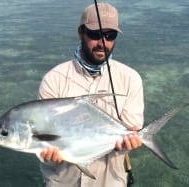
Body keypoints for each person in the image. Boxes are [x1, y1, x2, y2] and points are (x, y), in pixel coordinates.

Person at [38, 2, 144, 187]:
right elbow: (44, 136)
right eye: (95, 34)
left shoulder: (131, 79)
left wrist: (130, 141)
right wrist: (47, 154)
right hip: (63, 182)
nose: (103, 43)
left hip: (111, 181)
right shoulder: (53, 80)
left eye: (110, 36)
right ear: (81, 32)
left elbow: (130, 130)